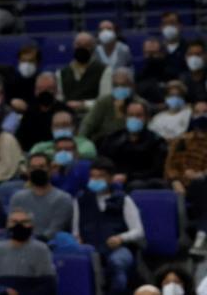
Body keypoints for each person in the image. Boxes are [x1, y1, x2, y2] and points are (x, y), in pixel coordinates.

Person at [73, 159, 143, 295]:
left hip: (118, 248)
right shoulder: (80, 200)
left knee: (117, 262)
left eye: (100, 176)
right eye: (93, 176)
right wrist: (78, 240)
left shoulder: (124, 199)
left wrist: (121, 238)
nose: (96, 180)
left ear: (111, 178)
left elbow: (139, 231)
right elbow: (75, 230)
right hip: (91, 248)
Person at [99, 102, 169, 188]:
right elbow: (102, 161)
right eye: (130, 115)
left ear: (147, 118)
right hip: (113, 179)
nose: (134, 119)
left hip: (142, 182)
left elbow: (157, 170)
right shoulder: (112, 138)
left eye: (138, 115)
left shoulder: (156, 141)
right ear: (125, 117)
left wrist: (128, 177)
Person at [166, 112, 207, 256]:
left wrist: (201, 174)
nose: (201, 134)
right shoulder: (182, 141)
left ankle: (201, 236)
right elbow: (170, 165)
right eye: (199, 130)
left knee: (201, 185)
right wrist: (175, 180)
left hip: (201, 185)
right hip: (179, 184)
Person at [9, 153, 74, 241]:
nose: (37, 170)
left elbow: (55, 230)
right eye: (33, 168)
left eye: (42, 167)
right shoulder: (18, 198)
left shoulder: (63, 199)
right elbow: (12, 226)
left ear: (50, 170)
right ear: (28, 171)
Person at [0, 210, 57, 281]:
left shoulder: (41, 250)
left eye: (24, 222)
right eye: (14, 222)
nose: (19, 225)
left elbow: (47, 283)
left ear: (32, 225)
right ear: (7, 224)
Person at [80, 69, 145, 144]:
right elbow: (88, 124)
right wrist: (81, 143)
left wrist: (120, 112)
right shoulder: (103, 102)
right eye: (116, 85)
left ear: (132, 85)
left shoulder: (140, 104)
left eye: (123, 85)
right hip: (103, 144)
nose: (119, 88)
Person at [56, 32, 108, 112]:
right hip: (68, 115)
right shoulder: (61, 72)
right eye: (79, 45)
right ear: (74, 46)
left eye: (86, 45)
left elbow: (105, 100)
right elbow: (59, 99)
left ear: (93, 48)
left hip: (95, 114)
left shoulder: (104, 70)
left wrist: (83, 104)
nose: (82, 48)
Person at [30, 108, 97, 160]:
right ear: (51, 128)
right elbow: (34, 155)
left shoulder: (85, 143)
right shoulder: (41, 146)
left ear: (73, 127)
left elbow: (87, 153)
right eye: (57, 125)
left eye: (65, 125)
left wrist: (49, 155)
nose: (61, 128)